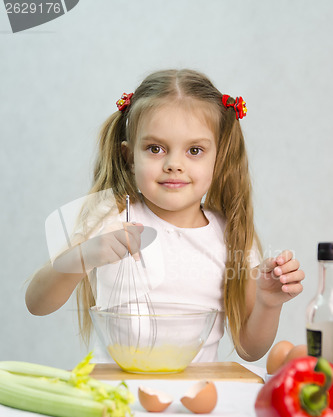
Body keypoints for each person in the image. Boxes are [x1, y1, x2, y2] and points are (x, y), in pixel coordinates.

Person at [25, 69, 305, 363]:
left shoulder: (232, 236)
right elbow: (37, 303)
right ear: (129, 157)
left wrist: (269, 303)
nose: (174, 164)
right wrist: (83, 256)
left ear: (218, 158)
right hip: (119, 396)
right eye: (155, 148)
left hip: (192, 402)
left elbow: (250, 349)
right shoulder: (111, 216)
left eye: (194, 150)